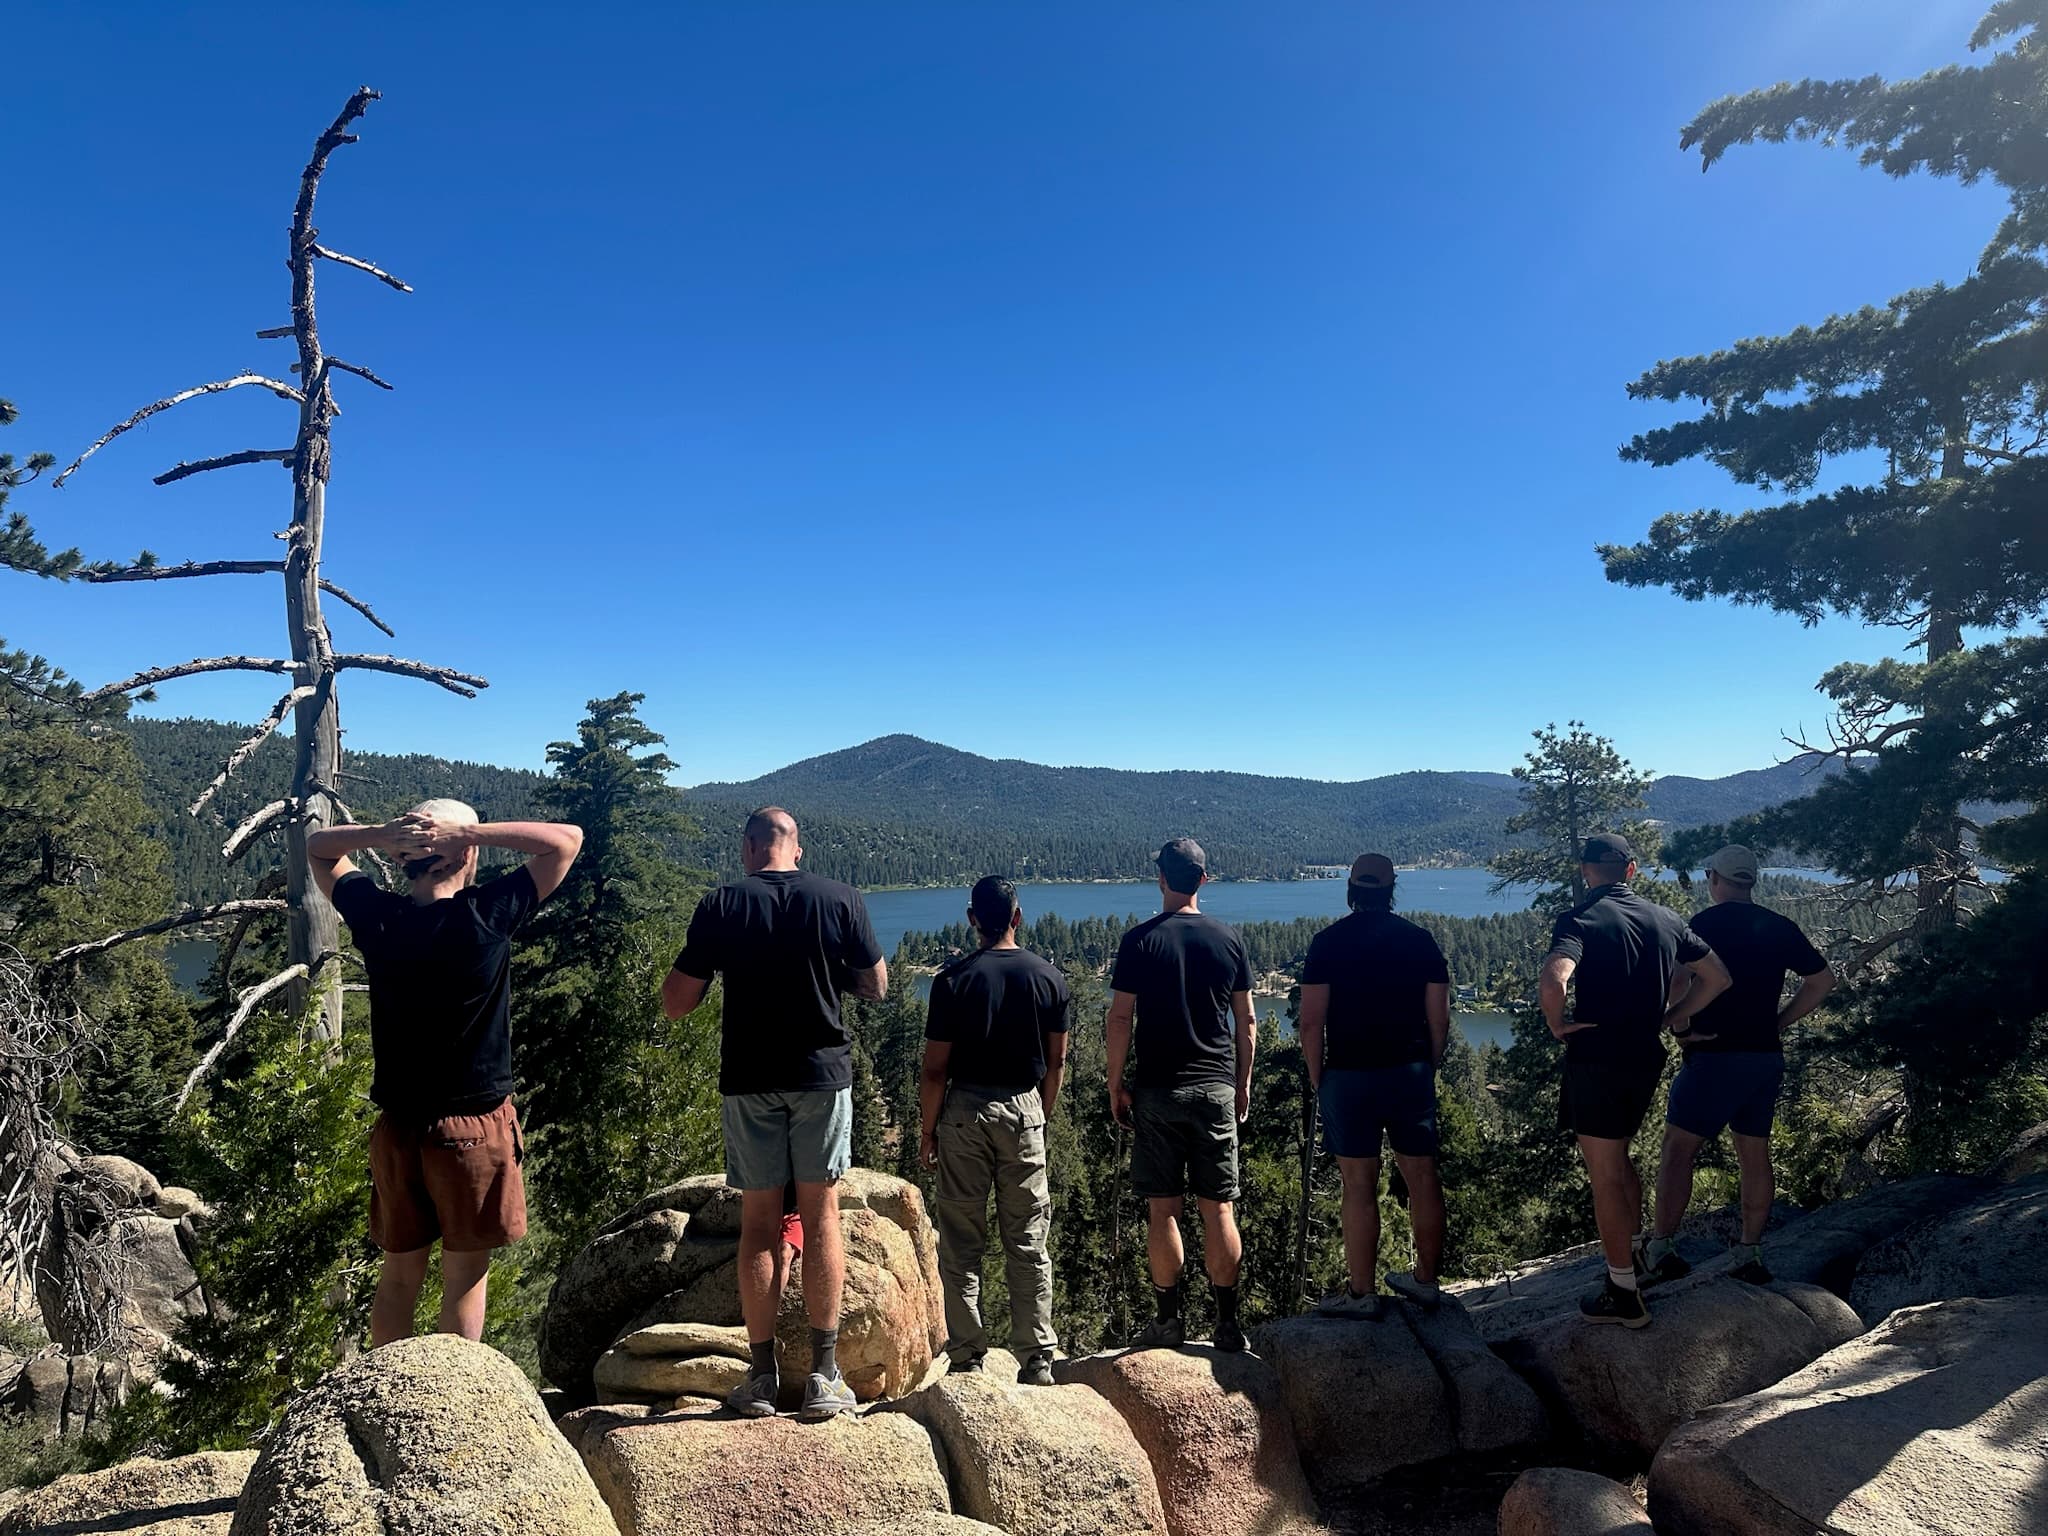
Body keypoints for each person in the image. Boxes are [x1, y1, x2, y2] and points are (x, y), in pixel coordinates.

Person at [307, 800, 583, 1347]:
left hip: (398, 1128)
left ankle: (386, 1400)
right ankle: (450, 1413)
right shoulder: (485, 915)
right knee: (464, 1276)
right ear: (467, 853)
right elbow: (565, 840)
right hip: (471, 1128)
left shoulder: (378, 916)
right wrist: (469, 829)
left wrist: (382, 832)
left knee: (398, 1277)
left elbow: (318, 849)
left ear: (407, 857)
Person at [660, 807, 887, 1420]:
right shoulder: (841, 898)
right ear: (797, 849)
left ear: (749, 847)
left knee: (760, 1223)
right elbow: (877, 985)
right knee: (821, 1216)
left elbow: (677, 1003)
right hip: (821, 1077)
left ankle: (760, 1379)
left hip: (750, 1079)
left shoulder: (722, 905)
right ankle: (823, 1375)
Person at [1539, 833, 1731, 1328]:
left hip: (1598, 1057)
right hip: (1644, 1057)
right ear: (1631, 870)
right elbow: (1718, 977)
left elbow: (1555, 977)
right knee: (1619, 1157)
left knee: (1603, 1171)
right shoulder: (1667, 919)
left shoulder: (1581, 919)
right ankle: (1636, 1258)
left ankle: (1622, 1291)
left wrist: (1558, 1024)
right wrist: (1670, 1017)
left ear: (1587, 872)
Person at [1642, 845, 1834, 1286]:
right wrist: (1779, 1022)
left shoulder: (1702, 926)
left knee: (1677, 1152)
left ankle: (1661, 1249)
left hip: (1714, 1057)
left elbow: (1678, 982)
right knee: (1754, 1154)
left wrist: (1682, 1028)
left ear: (1714, 879)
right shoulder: (1780, 926)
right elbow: (1822, 981)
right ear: (1751, 882)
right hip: (1764, 1058)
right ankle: (1749, 1253)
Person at [1106, 837, 1257, 1352]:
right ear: (1203, 881)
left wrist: (1115, 1082)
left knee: (1163, 1210)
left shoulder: (1140, 941)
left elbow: (1120, 1017)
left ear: (1162, 880)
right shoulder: (1228, 939)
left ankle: (1168, 1323)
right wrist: (1243, 1083)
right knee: (1219, 1210)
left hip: (1158, 1091)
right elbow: (1247, 1021)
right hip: (1215, 1087)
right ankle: (1227, 1326)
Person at [919, 876, 1070, 1386]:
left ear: (972, 919)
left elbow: (935, 1070)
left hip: (963, 1111)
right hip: (1023, 1109)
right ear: (1018, 917)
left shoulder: (952, 981)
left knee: (961, 1241)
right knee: (1027, 1239)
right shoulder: (1048, 977)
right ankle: (1037, 1358)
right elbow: (1057, 1061)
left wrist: (928, 1129)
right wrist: (1040, 1115)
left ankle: (966, 1355)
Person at [1299, 854, 1452, 1319]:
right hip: (1408, 1072)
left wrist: (1317, 1074)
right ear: (1391, 889)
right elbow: (1439, 1017)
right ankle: (1426, 1282)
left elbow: (1311, 1023)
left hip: (1349, 1076)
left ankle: (1361, 1294)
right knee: (1422, 1177)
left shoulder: (1327, 943)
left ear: (1351, 889)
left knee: (1357, 1185)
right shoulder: (1420, 942)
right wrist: (1430, 1063)